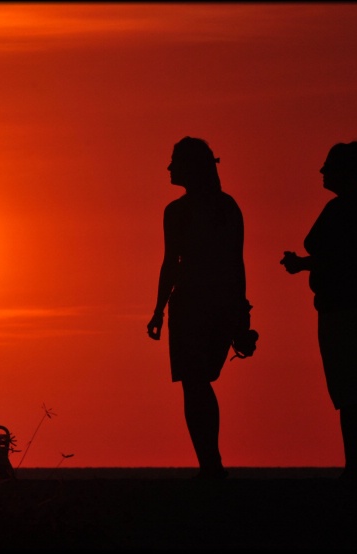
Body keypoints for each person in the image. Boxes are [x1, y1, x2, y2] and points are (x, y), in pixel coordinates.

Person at [280, 140, 357, 483]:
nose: (321, 172)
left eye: (328, 166)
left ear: (344, 172)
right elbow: (351, 257)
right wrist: (305, 265)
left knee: (353, 390)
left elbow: (329, 252)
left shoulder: (342, 208)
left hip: (344, 309)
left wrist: (303, 264)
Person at [147, 137, 256, 480]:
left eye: (175, 161)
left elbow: (171, 264)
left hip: (195, 304)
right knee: (199, 382)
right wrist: (240, 315)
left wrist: (158, 311)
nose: (168, 168)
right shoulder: (227, 206)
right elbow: (236, 265)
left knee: (195, 383)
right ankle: (210, 463)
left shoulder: (181, 212)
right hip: (218, 303)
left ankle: (211, 464)